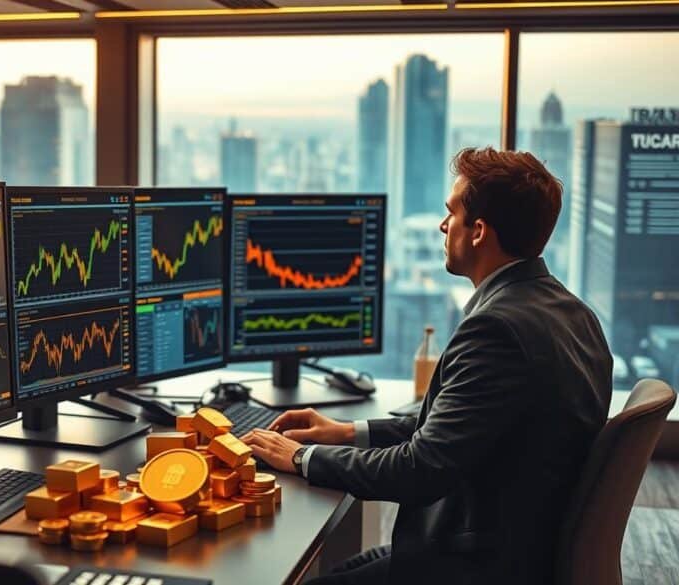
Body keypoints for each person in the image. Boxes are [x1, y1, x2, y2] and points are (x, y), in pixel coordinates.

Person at [241, 147, 613, 585]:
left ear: (477, 231)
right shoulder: (571, 312)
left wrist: (302, 457)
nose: (442, 225)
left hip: (476, 566)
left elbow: (421, 470)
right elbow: (460, 426)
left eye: (450, 213)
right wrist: (347, 433)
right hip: (516, 549)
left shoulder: (498, 328)